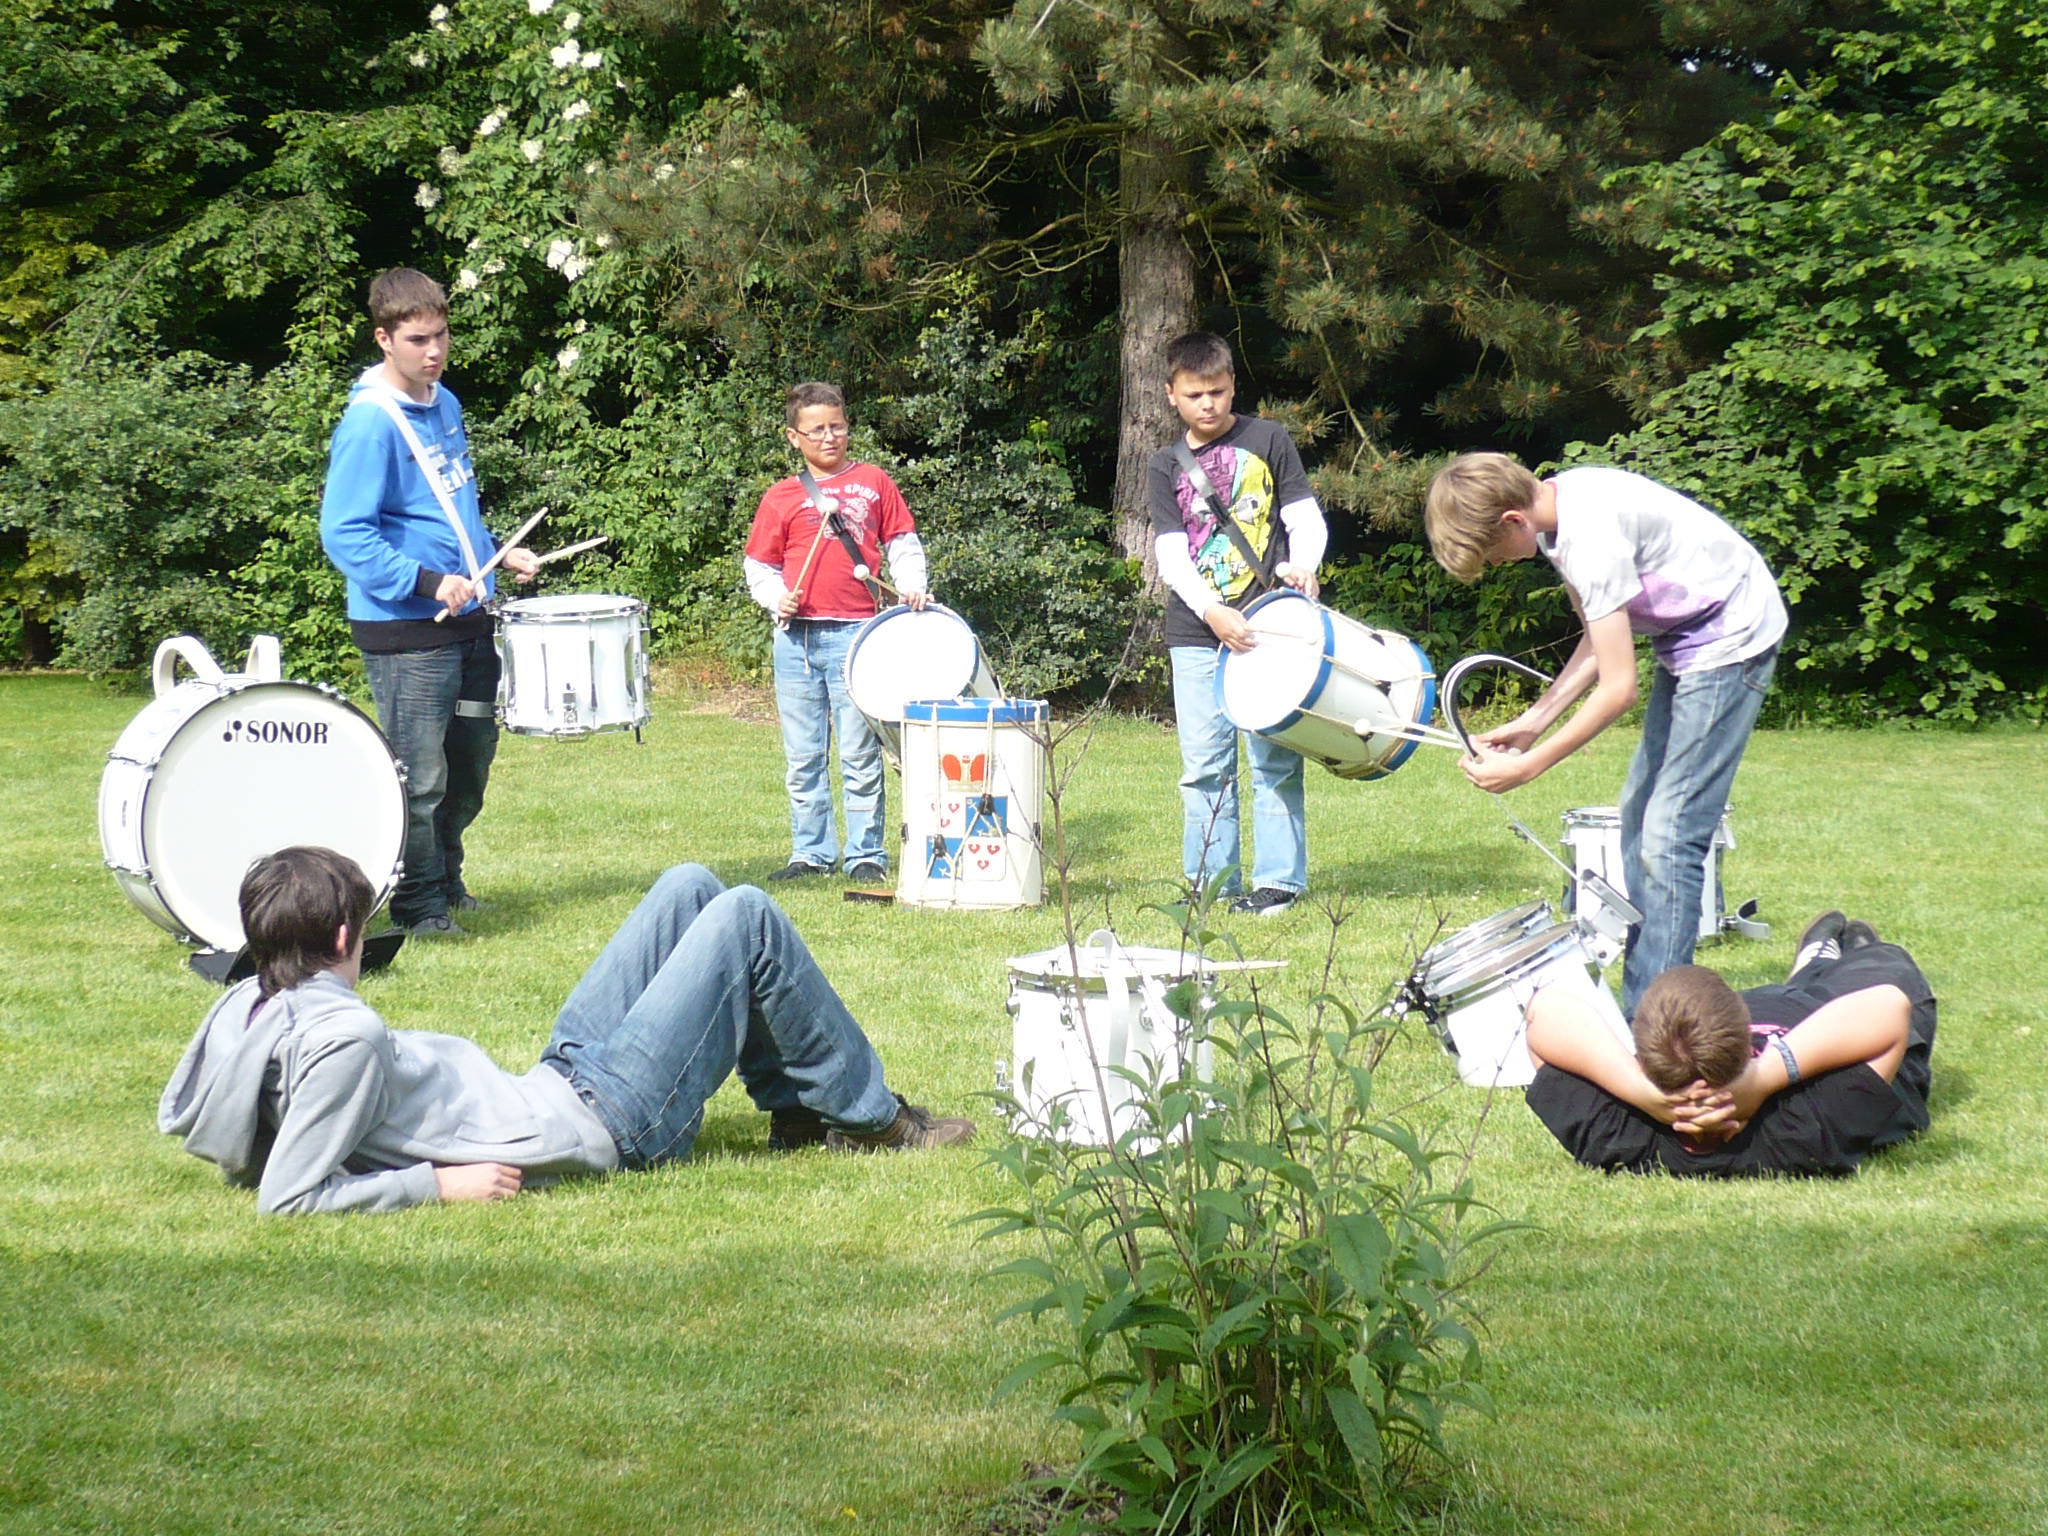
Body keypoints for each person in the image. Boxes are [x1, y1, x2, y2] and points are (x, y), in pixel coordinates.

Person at [158, 847, 977, 1216]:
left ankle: (797, 1112)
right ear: (343, 937)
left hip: (550, 1087)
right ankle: (874, 1120)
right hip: (605, 1123)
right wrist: (437, 1186)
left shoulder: (252, 1002)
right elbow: (291, 1197)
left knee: (690, 885)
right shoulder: (345, 1041)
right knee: (748, 916)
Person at [1423, 453, 1787, 1014]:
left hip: (1732, 636)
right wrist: (1533, 721)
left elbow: (1619, 689)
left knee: (1670, 835)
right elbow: (1598, 641)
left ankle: (1657, 1018)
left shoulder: (1588, 537)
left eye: (1493, 556)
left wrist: (1530, 766)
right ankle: (1651, 996)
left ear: (1513, 521)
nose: (1499, 565)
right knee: (1639, 817)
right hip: (1688, 640)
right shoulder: (1558, 518)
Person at [319, 267, 537, 938]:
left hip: (469, 620)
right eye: (418, 340)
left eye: (441, 335)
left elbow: (449, 508)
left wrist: (495, 555)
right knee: (419, 777)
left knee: (470, 763)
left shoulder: (445, 403)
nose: (434, 351)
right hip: (407, 629)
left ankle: (448, 882)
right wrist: (427, 581)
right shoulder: (370, 424)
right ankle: (417, 906)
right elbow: (344, 533)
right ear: (384, 338)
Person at [1522, 911, 1934, 1177]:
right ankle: (1820, 961)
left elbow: (1544, 1010)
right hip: (1828, 1013)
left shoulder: (1624, 1135)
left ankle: (1815, 964)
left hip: (1749, 1014)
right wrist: (1762, 1078)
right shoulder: (1799, 1129)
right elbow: (1888, 1006)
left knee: (1831, 980)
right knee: (1888, 966)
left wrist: (1643, 1094)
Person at [1147, 332, 1329, 917]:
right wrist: (1212, 612)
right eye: (1194, 395)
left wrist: (1303, 565)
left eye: (1218, 392)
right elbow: (1171, 555)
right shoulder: (1163, 465)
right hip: (1196, 632)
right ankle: (1211, 884)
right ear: (1171, 394)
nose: (1208, 404)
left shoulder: (1270, 439)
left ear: (1232, 386)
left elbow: (1304, 518)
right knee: (1205, 768)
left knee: (1274, 759)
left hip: (1269, 627)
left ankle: (1279, 884)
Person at [742, 382, 930, 884]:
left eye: (837, 427)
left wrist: (912, 585)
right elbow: (759, 566)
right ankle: (811, 853)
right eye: (817, 430)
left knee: (859, 753)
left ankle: (866, 854)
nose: (829, 437)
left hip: (858, 634)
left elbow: (902, 541)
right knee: (803, 757)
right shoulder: (781, 496)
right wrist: (775, 597)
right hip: (796, 640)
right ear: (794, 437)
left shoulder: (874, 481)